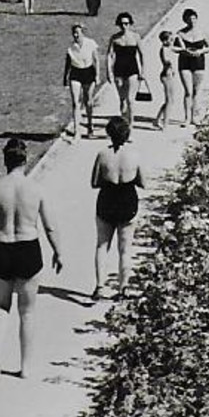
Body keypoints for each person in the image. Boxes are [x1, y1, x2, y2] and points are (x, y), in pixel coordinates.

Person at [0, 139, 65, 380]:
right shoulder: (35, 189)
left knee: (1, 306)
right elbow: (50, 226)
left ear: (4, 160)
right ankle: (26, 367)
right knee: (27, 312)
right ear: (26, 159)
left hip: (1, 246)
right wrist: (58, 251)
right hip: (28, 247)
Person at [90, 117, 145, 300]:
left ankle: (99, 286)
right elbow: (143, 182)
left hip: (107, 200)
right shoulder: (135, 155)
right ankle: (123, 288)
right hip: (127, 201)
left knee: (102, 245)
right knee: (125, 249)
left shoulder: (102, 155)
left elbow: (94, 182)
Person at [107, 12, 145, 128]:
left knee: (130, 99)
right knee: (122, 100)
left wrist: (142, 71)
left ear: (130, 24)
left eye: (127, 23)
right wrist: (109, 71)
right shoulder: (115, 38)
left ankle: (131, 124)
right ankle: (123, 122)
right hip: (119, 70)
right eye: (122, 24)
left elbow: (142, 54)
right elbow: (109, 55)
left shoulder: (135, 37)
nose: (124, 26)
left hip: (132, 70)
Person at [63, 24, 101, 139]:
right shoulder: (71, 48)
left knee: (88, 101)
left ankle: (90, 126)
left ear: (82, 33)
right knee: (75, 102)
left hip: (88, 73)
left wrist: (98, 75)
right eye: (74, 33)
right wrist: (65, 77)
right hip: (76, 73)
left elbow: (96, 60)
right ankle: (77, 131)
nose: (75, 35)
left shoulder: (90, 43)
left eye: (77, 33)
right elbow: (68, 64)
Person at [174, 8, 209, 128]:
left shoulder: (202, 32)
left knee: (196, 91)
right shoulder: (180, 34)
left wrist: (201, 51)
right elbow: (174, 48)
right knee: (188, 91)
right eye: (189, 19)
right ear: (185, 20)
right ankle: (187, 118)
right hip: (185, 63)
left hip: (199, 62)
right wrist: (184, 51)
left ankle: (195, 117)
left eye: (194, 18)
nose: (192, 21)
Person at [154, 29, 178, 130]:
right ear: (165, 41)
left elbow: (182, 48)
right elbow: (166, 60)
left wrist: (178, 38)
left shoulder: (169, 48)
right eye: (170, 40)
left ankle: (158, 119)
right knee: (169, 100)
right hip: (166, 75)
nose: (172, 41)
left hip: (170, 74)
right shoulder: (164, 49)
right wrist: (170, 63)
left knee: (170, 100)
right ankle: (165, 123)